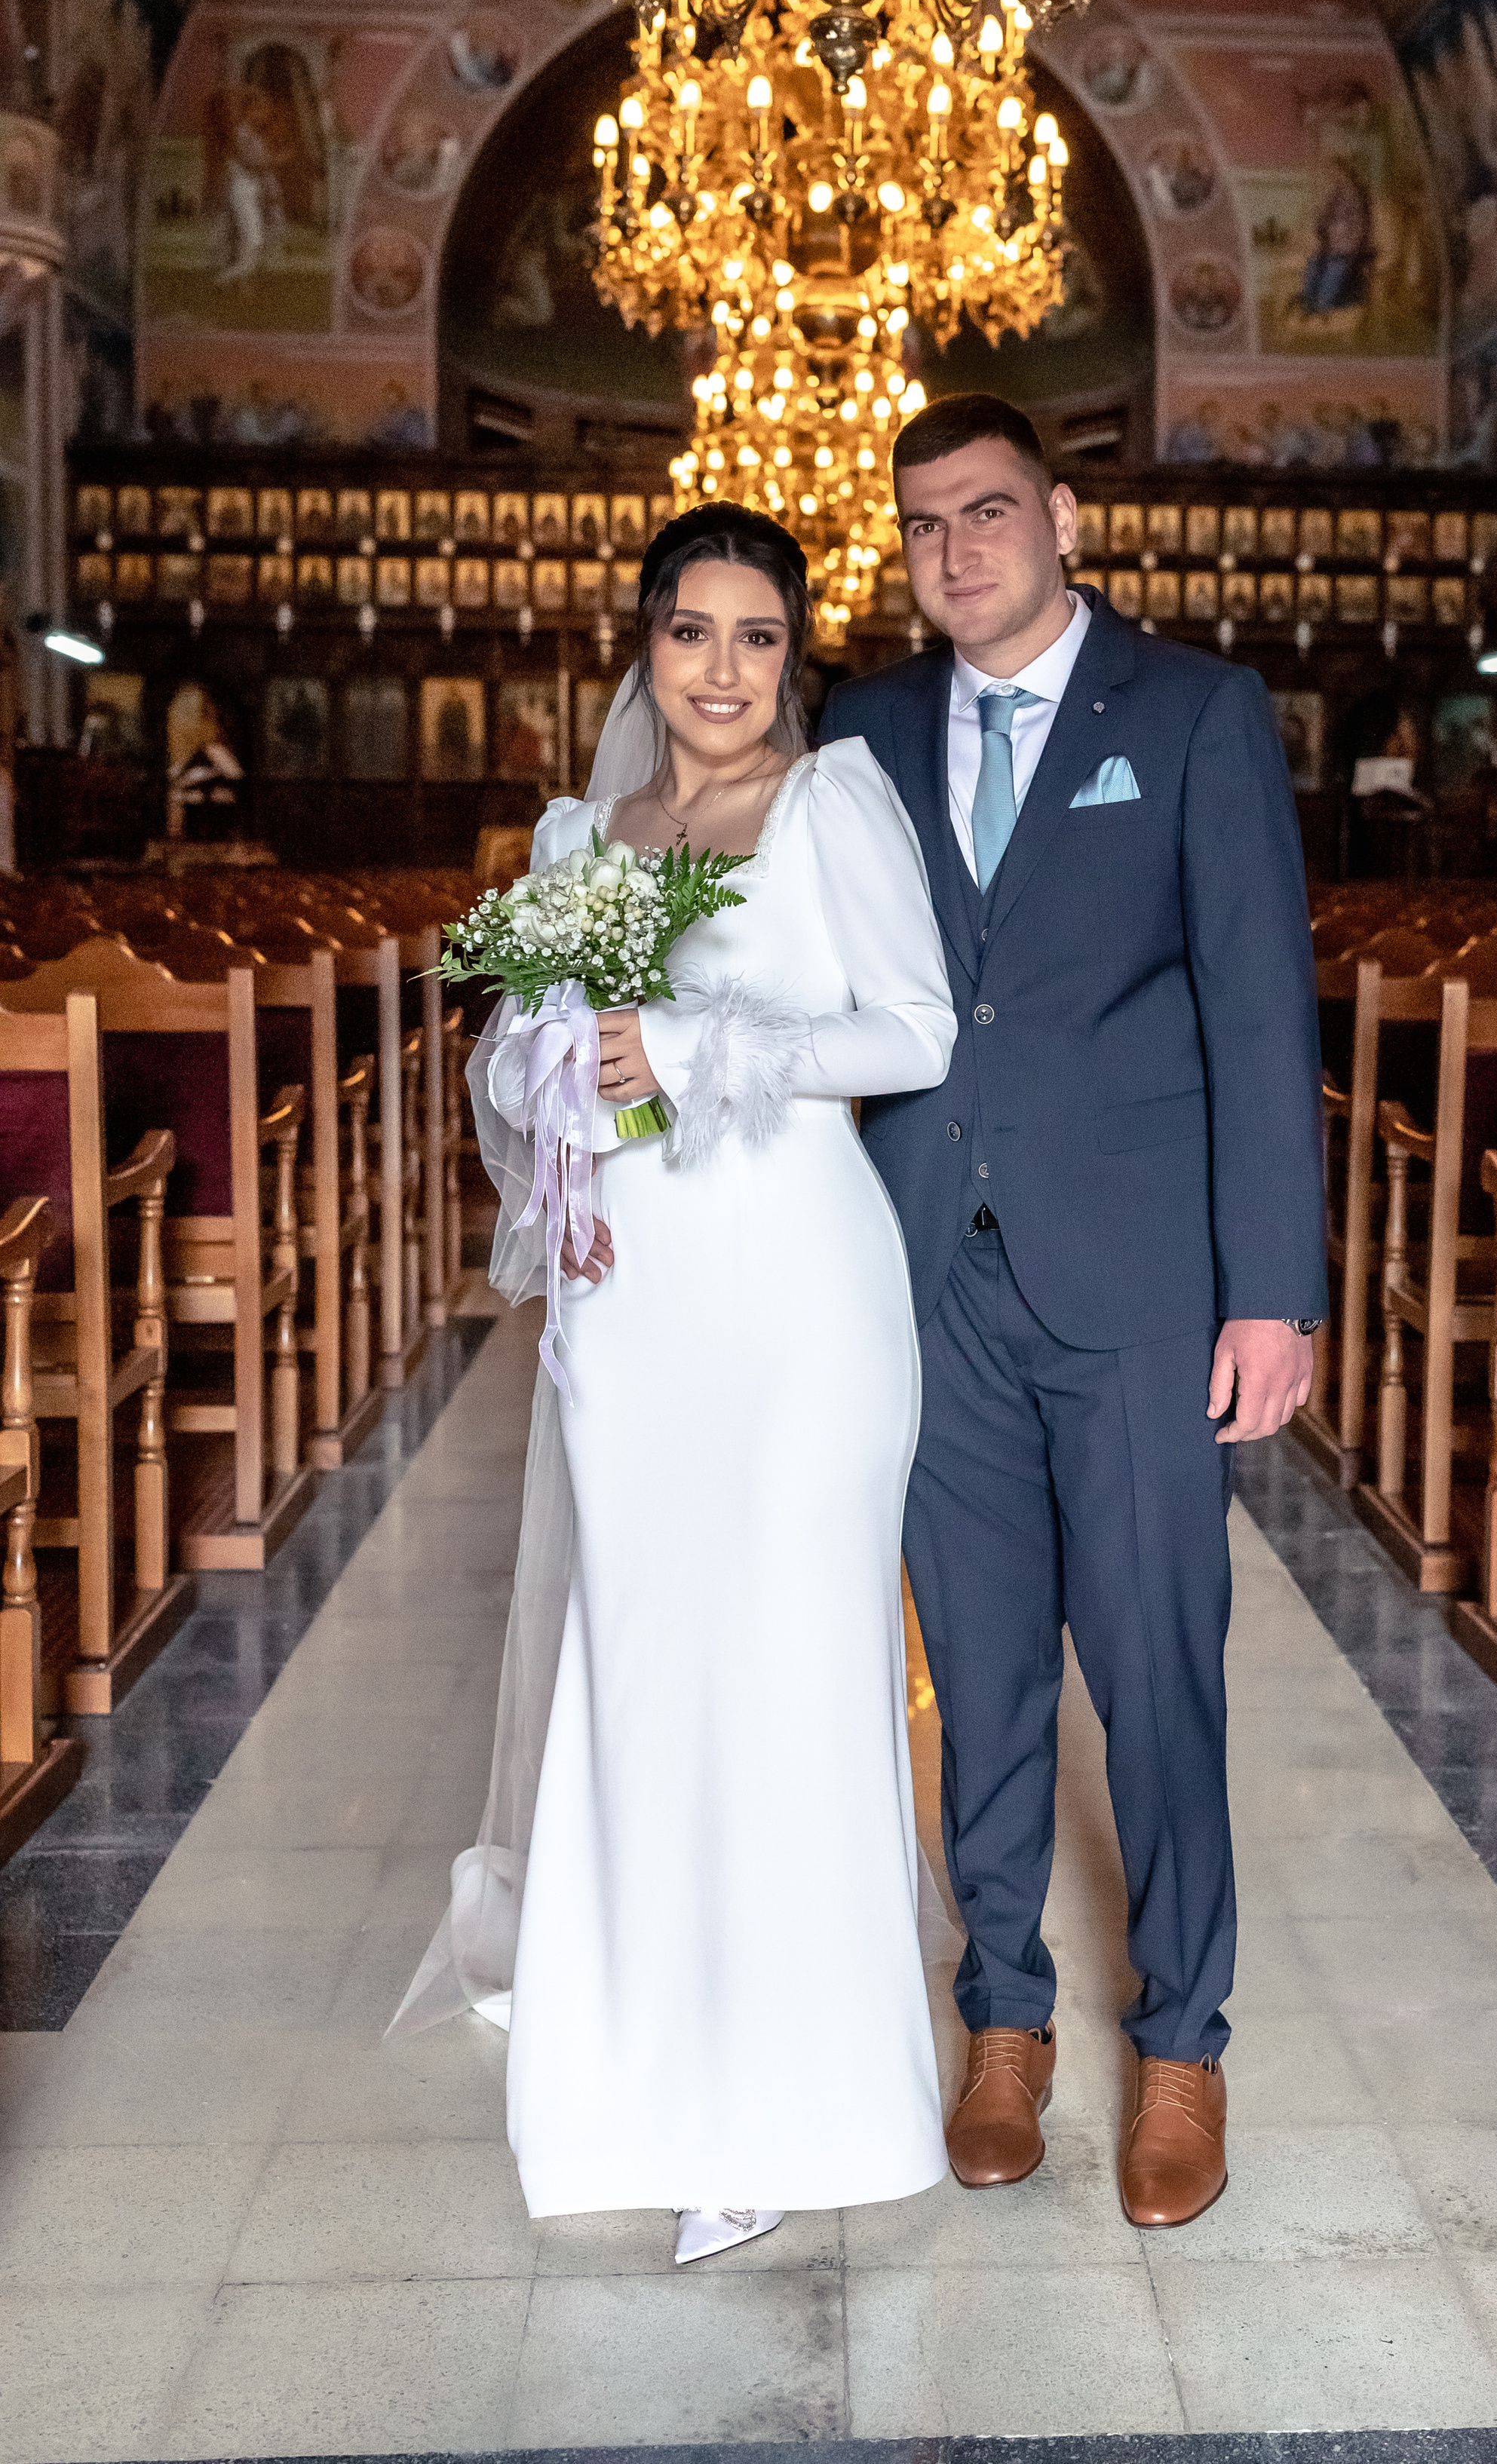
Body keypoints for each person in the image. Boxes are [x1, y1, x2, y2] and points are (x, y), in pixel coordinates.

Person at [393, 503, 956, 2261]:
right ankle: (633, 2073)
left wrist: (700, 1040)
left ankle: (791, 2102)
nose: (722, 671)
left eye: (757, 636)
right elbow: (524, 1059)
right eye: (689, 633)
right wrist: (558, 1073)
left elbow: (914, 1030)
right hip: (633, 1312)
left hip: (797, 1297)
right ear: (642, 646)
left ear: (796, 655)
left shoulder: (837, 802)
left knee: (786, 1670)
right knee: (642, 1674)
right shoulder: (588, 828)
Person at [821, 395, 1327, 2231]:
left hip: (1130, 1286)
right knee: (978, 1676)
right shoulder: (860, 727)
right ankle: (1004, 2020)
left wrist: (1271, 1292)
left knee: (1155, 1668)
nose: (952, 549)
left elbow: (1261, 1013)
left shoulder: (1191, 715)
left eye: (984, 511)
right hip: (924, 1279)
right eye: (920, 525)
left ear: (1059, 514)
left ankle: (1181, 2038)